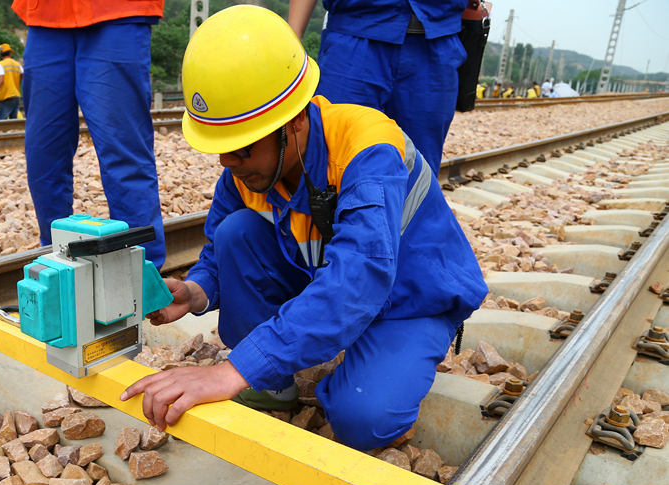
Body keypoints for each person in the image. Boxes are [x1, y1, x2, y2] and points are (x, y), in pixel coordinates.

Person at [120, 6, 487, 452]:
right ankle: (275, 383)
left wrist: (230, 372)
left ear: (293, 122)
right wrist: (195, 290)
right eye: (221, 149)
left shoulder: (367, 150)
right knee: (238, 231)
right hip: (327, 276)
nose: (226, 163)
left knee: (363, 420)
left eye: (240, 149)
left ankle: (380, 356)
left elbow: (359, 278)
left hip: (411, 296)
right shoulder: (247, 170)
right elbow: (220, 250)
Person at [11, 0, 166, 269]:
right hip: (46, 13)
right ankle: (58, 262)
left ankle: (141, 275)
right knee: (43, 155)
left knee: (123, 153)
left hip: (118, 11)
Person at [287, 0, 469, 176]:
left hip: (436, 39)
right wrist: (292, 44)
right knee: (332, 158)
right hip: (354, 33)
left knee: (419, 169)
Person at [0, 43, 23, 120]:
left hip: (7, 96)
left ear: (1, 54)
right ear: (10, 52)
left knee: (0, 121)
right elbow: (23, 76)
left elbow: (0, 80)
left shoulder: (1, 64)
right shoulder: (17, 64)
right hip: (16, 96)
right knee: (13, 121)